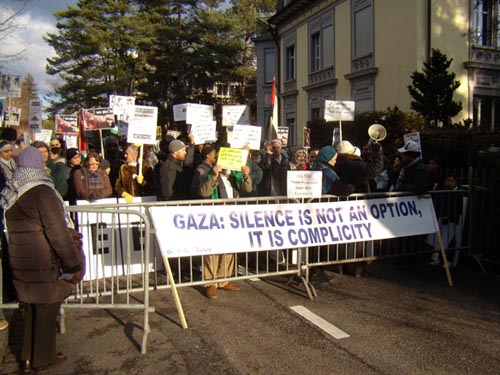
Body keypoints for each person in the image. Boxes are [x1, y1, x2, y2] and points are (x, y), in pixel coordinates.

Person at [0, 147, 83, 373]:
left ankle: (27, 357)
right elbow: (57, 231)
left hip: (19, 257)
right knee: (47, 308)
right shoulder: (42, 191)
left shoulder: (11, 190)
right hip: (43, 257)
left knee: (30, 309)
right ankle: (42, 358)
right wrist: (72, 261)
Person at [190, 144, 251, 299]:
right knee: (212, 249)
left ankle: (223, 279)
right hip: (213, 215)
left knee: (228, 247)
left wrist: (245, 175)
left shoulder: (231, 174)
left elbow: (247, 189)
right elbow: (204, 192)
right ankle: (211, 283)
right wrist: (214, 176)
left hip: (230, 214)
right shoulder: (206, 173)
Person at [334, 140, 384, 277]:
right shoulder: (356, 164)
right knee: (360, 237)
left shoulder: (334, 164)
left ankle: (341, 268)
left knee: (341, 237)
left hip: (339, 205)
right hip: (358, 206)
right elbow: (375, 170)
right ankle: (358, 270)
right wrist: (378, 153)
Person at [428, 175, 466, 267]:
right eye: (447, 180)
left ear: (456, 183)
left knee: (449, 240)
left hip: (452, 221)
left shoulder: (458, 194)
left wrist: (449, 217)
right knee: (440, 240)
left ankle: (448, 260)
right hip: (442, 218)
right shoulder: (443, 192)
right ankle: (439, 258)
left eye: (452, 181)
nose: (449, 183)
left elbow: (458, 209)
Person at [159, 134, 195, 201]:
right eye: (183, 150)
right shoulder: (169, 168)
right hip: (174, 207)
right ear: (174, 152)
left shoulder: (177, 164)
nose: (185, 153)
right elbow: (167, 191)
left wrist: (192, 144)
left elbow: (188, 162)